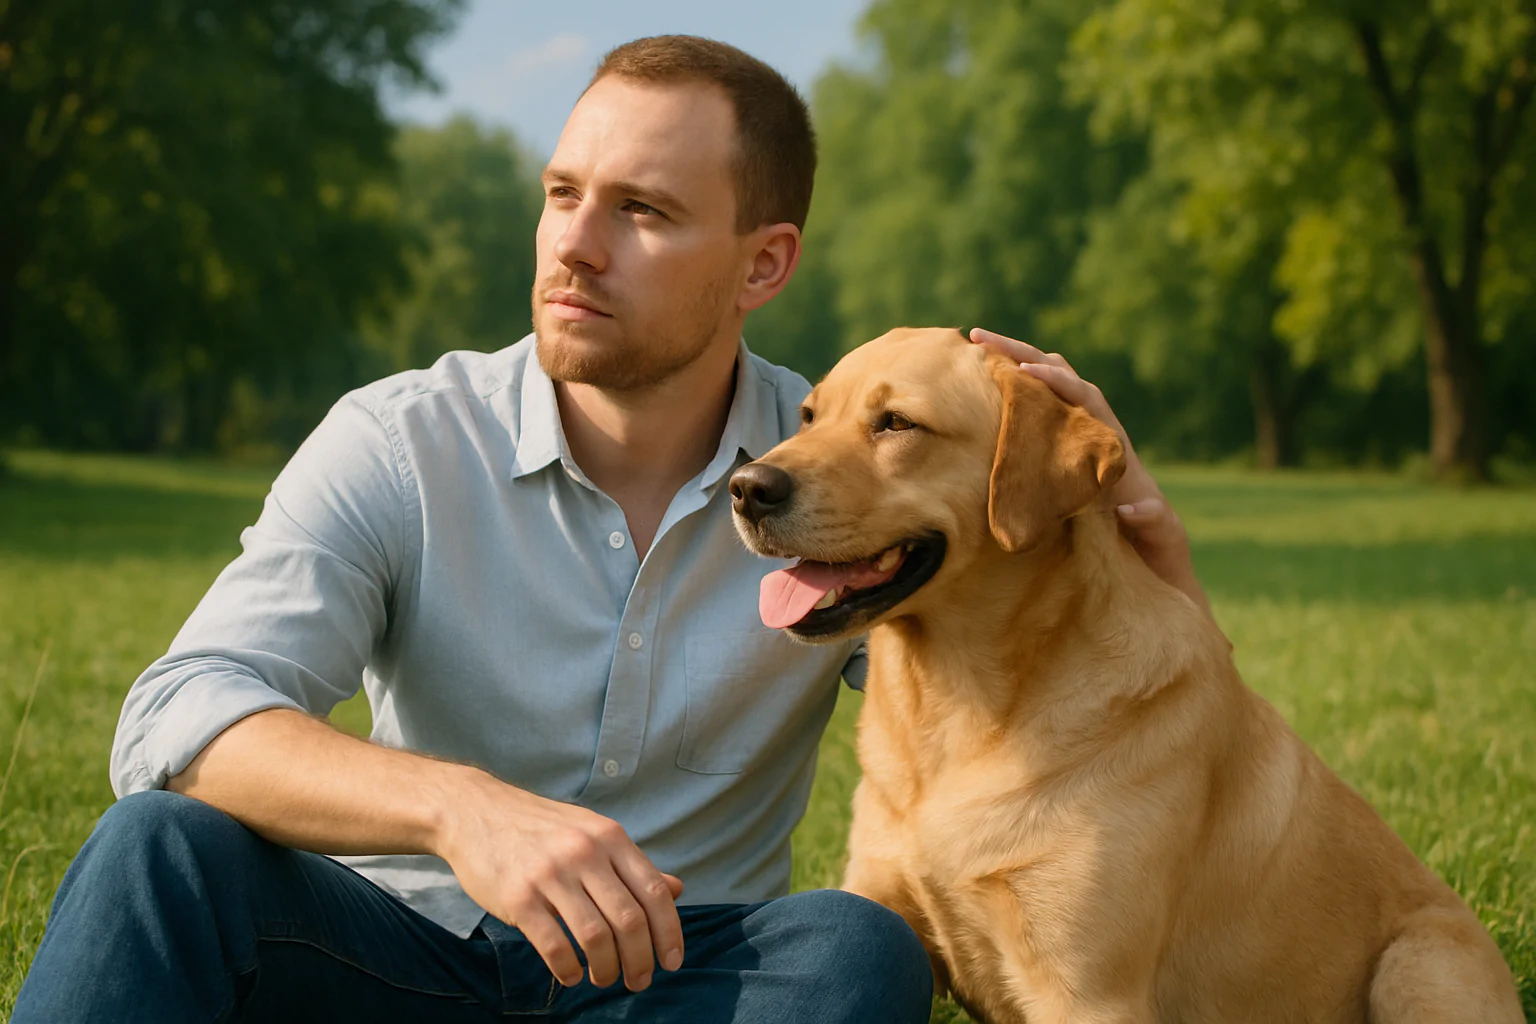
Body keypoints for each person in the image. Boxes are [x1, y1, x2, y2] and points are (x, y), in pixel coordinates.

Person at [12, 35, 1207, 1024]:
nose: (576, 244)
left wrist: (1112, 522)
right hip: (385, 961)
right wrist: (461, 808)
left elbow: (1082, 709)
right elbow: (180, 713)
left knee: (854, 951)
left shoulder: (845, 475)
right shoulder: (402, 442)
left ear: (764, 263)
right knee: (156, 849)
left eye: (641, 211)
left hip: (682, 984)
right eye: (563, 194)